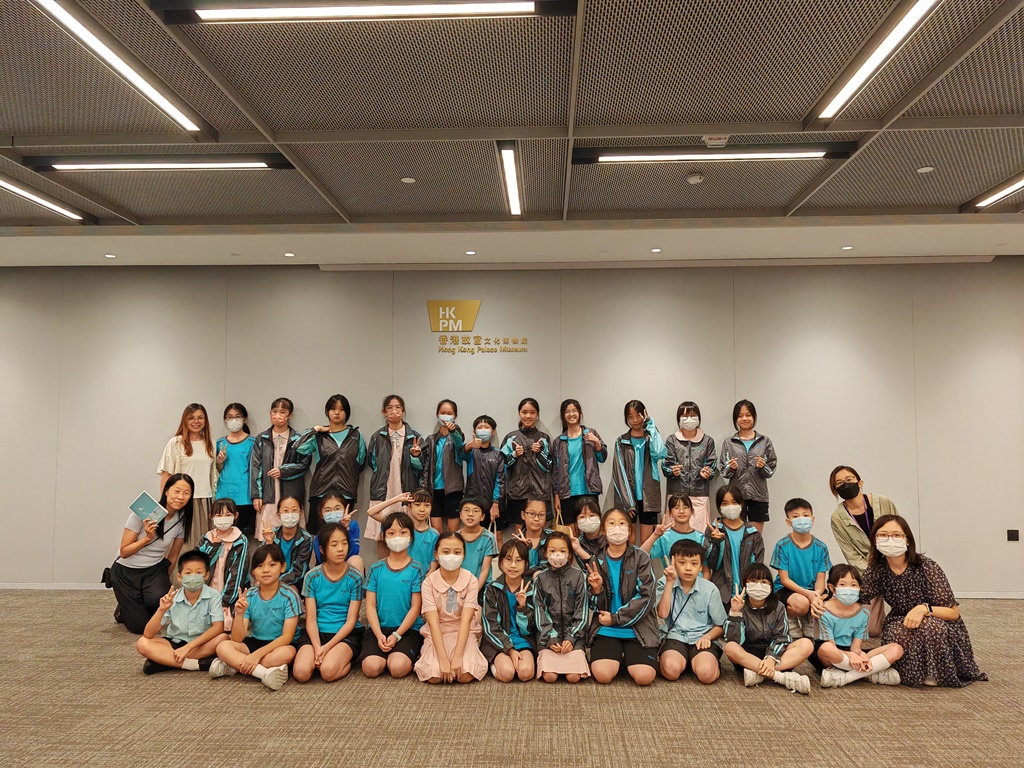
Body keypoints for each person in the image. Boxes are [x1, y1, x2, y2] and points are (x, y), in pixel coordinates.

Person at [860, 515, 987, 688]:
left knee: (929, 627)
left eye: (896, 535)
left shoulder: (927, 567)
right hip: (900, 618)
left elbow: (953, 613)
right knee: (897, 632)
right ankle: (902, 673)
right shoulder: (877, 569)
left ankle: (935, 673)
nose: (890, 540)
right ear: (875, 540)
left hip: (938, 619)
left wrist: (924, 609)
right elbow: (860, 597)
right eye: (883, 535)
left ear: (907, 540)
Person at [210, 543, 300, 691]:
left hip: (279, 644)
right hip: (255, 641)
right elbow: (237, 638)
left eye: (272, 565)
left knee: (287, 653)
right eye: (260, 566)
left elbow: (287, 637)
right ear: (253, 572)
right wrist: (239, 614)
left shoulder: (289, 595)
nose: (266, 570)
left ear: (282, 567)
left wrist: (256, 655)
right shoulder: (249, 595)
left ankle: (236, 666)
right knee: (222, 646)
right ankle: (263, 673)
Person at [585, 508, 659, 686]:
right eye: (611, 523)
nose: (616, 528)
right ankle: (618, 657)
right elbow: (593, 606)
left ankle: (629, 658)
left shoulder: (641, 558)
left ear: (629, 529)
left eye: (621, 523)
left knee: (644, 677)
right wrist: (596, 590)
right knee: (603, 676)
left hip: (638, 628)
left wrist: (616, 618)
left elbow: (646, 597)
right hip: (606, 627)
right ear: (603, 530)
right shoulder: (596, 560)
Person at [111, 473, 193, 634]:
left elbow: (173, 555)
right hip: (126, 571)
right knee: (140, 627)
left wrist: (163, 583)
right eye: (176, 491)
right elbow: (124, 552)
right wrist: (147, 538)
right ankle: (124, 607)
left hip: (154, 570)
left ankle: (139, 601)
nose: (180, 497)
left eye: (186, 493)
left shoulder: (181, 520)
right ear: (166, 491)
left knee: (157, 602)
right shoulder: (141, 514)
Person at [723, 563, 813, 694]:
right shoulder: (739, 605)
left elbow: (781, 637)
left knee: (806, 644)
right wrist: (735, 612)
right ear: (745, 584)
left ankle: (758, 674)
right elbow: (733, 639)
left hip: (775, 656)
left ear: (770, 587)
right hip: (748, 657)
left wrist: (771, 658)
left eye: (764, 582)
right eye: (753, 581)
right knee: (730, 647)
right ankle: (780, 677)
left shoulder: (778, 607)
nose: (758, 586)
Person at [135, 549, 226, 674]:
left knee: (223, 639)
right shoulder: (172, 597)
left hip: (200, 644)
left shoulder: (213, 595)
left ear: (206, 576)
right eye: (188, 573)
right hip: (175, 642)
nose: (193, 577)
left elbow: (218, 627)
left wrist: (188, 647)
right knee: (142, 643)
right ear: (179, 577)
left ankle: (165, 661)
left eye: (199, 572)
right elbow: (148, 634)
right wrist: (161, 610)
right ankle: (194, 664)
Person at [293, 523, 364, 683]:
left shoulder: (355, 577)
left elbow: (351, 621)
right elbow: (311, 618)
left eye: (344, 543)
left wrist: (328, 647)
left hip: (345, 634)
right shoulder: (312, 577)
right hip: (317, 632)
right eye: (334, 544)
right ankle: (324, 657)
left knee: (328, 672)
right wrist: (318, 647)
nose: (340, 549)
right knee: (301, 673)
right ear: (322, 549)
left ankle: (346, 660)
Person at [361, 512, 427, 679]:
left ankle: (404, 656)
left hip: (407, 630)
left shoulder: (417, 569)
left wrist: (397, 635)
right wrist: (378, 635)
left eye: (403, 532)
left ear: (411, 537)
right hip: (379, 629)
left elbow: (416, 608)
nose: (397, 537)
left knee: (397, 669)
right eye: (391, 533)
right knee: (370, 668)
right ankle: (384, 655)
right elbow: (370, 606)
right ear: (384, 537)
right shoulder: (376, 568)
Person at [415, 532, 488, 684]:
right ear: (436, 554)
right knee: (434, 677)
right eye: (446, 552)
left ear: (463, 555)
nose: (451, 556)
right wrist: (443, 660)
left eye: (457, 552)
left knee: (464, 675)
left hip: (464, 631)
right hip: (438, 632)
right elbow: (433, 623)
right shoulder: (428, 583)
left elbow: (466, 621)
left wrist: (458, 657)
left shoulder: (471, 580)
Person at [815, 564, 903, 688]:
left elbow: (856, 647)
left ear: (860, 587)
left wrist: (860, 654)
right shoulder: (823, 611)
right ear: (832, 588)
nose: (848, 589)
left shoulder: (863, 613)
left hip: (852, 653)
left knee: (896, 649)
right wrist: (851, 655)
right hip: (832, 655)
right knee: (826, 648)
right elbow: (831, 645)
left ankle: (846, 678)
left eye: (853, 585)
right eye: (842, 584)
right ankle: (870, 672)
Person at [656, 539, 726, 684]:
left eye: (694, 564)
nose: (688, 568)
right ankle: (684, 661)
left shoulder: (710, 589)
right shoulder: (664, 581)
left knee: (706, 674)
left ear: (700, 567)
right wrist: (669, 583)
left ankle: (702, 663)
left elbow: (720, 626)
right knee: (670, 671)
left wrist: (707, 637)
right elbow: (662, 614)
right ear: (673, 563)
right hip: (675, 636)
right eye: (682, 563)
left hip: (702, 638)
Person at [296, 394, 366, 536]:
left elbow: (361, 463)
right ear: (327, 411)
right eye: (333, 408)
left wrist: (345, 476)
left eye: (341, 409)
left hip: (345, 492)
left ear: (347, 412)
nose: (337, 412)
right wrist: (315, 430)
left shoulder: (356, 436)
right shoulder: (319, 436)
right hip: (320, 491)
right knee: (318, 535)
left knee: (342, 534)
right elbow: (298, 447)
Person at [366, 394, 423, 559]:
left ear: (403, 411)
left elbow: (422, 467)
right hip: (383, 490)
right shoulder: (377, 436)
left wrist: (415, 456)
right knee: (382, 534)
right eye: (390, 408)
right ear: (384, 412)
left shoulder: (415, 436)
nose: (394, 411)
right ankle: (384, 568)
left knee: (407, 533)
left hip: (407, 491)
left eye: (398, 407)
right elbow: (372, 462)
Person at [532, 532, 591, 683]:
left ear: (569, 554)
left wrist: (571, 638)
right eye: (552, 551)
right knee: (550, 677)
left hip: (575, 636)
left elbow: (582, 611)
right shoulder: (540, 578)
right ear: (545, 553)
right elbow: (539, 611)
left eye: (562, 551)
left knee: (573, 677)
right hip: (548, 637)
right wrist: (550, 637)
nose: (557, 555)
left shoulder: (579, 576)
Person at [770, 497, 830, 638]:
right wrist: (808, 595)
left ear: (812, 519)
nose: (802, 519)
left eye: (806, 515)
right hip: (787, 589)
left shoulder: (821, 547)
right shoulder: (782, 545)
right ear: (788, 522)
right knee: (802, 603)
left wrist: (816, 595)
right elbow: (785, 580)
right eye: (796, 516)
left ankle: (809, 618)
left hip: (812, 590)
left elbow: (821, 580)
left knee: (827, 603)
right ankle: (789, 618)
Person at [158, 404, 217, 543]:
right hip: (182, 500)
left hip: (205, 501)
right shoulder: (175, 443)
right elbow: (166, 475)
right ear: (185, 420)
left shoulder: (211, 443)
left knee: (203, 543)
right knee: (180, 543)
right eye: (191, 418)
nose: (196, 421)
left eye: (200, 418)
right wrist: (164, 504)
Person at [610, 399, 667, 545]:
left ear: (644, 414)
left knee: (647, 542)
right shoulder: (621, 441)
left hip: (649, 496)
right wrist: (628, 503)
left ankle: (644, 563)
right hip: (628, 498)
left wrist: (650, 424)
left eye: (638, 415)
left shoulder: (651, 437)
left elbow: (659, 453)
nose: (635, 420)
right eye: (630, 417)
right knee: (629, 541)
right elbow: (618, 473)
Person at [251, 397, 310, 532]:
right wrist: (256, 495)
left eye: (282, 412)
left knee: (292, 530)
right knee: (268, 532)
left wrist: (283, 471)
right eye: (274, 411)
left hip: (291, 490)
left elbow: (304, 464)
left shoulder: (298, 439)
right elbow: (255, 467)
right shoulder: (262, 438)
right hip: (268, 492)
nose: (277, 415)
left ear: (290, 415)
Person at [481, 539, 537, 682]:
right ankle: (493, 664)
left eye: (519, 560)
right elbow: (490, 626)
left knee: (525, 673)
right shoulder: (492, 588)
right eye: (508, 559)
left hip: (523, 640)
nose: (513, 565)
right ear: (501, 562)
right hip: (497, 642)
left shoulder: (531, 590)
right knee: (507, 674)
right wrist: (509, 649)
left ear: (526, 564)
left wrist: (522, 608)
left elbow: (530, 629)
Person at [719, 399, 777, 533]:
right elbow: (723, 471)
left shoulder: (764, 441)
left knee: (755, 537)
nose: (744, 419)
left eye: (748, 415)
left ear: (754, 417)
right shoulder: (729, 442)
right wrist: (731, 468)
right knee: (736, 535)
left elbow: (771, 469)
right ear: (735, 419)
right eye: (740, 416)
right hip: (735, 496)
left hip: (758, 496)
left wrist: (762, 467)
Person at [828, 465, 899, 571]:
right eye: (839, 483)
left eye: (849, 479)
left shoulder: (883, 502)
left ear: (860, 483)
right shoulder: (837, 519)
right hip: (868, 571)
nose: (845, 484)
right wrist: (872, 574)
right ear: (836, 490)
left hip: (896, 562)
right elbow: (851, 555)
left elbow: (900, 532)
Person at [552, 399, 606, 535]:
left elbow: (603, 457)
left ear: (580, 413)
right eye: (567, 412)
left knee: (590, 530)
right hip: (567, 493)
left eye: (574, 411)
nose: (571, 414)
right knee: (571, 534)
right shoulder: (559, 441)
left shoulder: (591, 433)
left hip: (589, 490)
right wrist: (556, 496)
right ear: (563, 416)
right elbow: (555, 471)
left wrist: (597, 442)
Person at [662, 401, 717, 532]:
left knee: (700, 534)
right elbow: (666, 466)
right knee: (674, 533)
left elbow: (712, 466)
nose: (689, 419)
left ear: (699, 418)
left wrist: (707, 472)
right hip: (676, 495)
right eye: (685, 416)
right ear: (679, 419)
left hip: (700, 495)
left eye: (693, 416)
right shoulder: (672, 440)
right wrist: (672, 471)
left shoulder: (707, 441)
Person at [706, 485, 764, 606]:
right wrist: (717, 542)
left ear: (741, 504)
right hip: (722, 594)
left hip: (747, 594)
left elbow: (758, 566)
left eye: (734, 502)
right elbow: (712, 564)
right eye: (725, 503)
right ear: (719, 507)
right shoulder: (713, 530)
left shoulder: (753, 533)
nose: (730, 507)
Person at [500, 398, 553, 530]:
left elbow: (550, 466)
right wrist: (514, 455)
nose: (528, 416)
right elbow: (502, 466)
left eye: (532, 412)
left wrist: (539, 454)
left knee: (540, 529)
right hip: (517, 493)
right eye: (524, 412)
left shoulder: (544, 438)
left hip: (540, 492)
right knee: (519, 531)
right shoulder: (511, 437)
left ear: (537, 414)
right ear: (519, 413)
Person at [197, 499, 249, 631]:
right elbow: (196, 564)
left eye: (228, 515)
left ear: (235, 516)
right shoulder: (206, 538)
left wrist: (225, 601)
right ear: (211, 517)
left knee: (226, 625)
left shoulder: (240, 541)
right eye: (219, 515)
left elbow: (237, 574)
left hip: (228, 593)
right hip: (207, 589)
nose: (223, 519)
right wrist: (213, 546)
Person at [421, 399, 466, 533]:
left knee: (453, 533)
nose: (445, 416)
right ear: (437, 415)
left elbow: (459, 443)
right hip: (434, 490)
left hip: (453, 490)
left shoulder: (457, 436)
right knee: (436, 532)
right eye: (443, 413)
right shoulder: (430, 439)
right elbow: (423, 465)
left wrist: (453, 431)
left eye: (449, 413)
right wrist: (415, 455)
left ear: (455, 416)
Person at [369, 489, 439, 573]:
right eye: (417, 505)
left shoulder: (434, 535)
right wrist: (397, 499)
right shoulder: (400, 526)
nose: (422, 509)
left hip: (422, 577)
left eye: (427, 505)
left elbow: (432, 567)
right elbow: (371, 512)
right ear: (409, 507)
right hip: (398, 573)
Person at [460, 415, 505, 542]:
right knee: (473, 535)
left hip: (493, 504)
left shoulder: (498, 454)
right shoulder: (471, 452)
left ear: (493, 431)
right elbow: (460, 455)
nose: (483, 429)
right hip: (473, 502)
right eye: (480, 427)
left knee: (497, 536)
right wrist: (470, 445)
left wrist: (495, 503)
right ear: (474, 431)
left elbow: (500, 480)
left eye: (486, 427)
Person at [214, 403, 256, 538]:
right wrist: (219, 461)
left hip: (244, 496)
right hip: (223, 494)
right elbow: (214, 471)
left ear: (244, 419)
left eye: (237, 417)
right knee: (222, 534)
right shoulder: (219, 443)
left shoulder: (253, 442)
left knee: (241, 536)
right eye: (230, 417)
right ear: (225, 420)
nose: (234, 420)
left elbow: (256, 470)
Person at [641, 494, 710, 577]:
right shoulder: (664, 537)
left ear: (692, 511)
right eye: (676, 508)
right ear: (670, 513)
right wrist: (655, 535)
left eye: (685, 507)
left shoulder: (700, 538)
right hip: (671, 582)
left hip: (696, 583)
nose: (681, 511)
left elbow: (706, 569)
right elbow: (641, 555)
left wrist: (704, 584)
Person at [262, 495, 315, 593]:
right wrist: (269, 543)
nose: (290, 514)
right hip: (270, 577)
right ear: (278, 514)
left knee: (290, 590)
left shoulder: (306, 538)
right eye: (286, 511)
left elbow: (298, 571)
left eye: (294, 510)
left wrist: (277, 582)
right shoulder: (272, 534)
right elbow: (260, 562)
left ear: (300, 513)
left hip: (295, 581)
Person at [458, 496, 498, 593]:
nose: (470, 514)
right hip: (459, 586)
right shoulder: (455, 537)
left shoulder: (488, 537)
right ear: (460, 515)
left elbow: (485, 569)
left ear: (482, 517)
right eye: (466, 510)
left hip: (481, 586)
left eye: (475, 511)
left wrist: (473, 592)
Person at [312, 493, 361, 563]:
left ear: (344, 510)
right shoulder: (320, 533)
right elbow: (321, 559)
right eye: (328, 510)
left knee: (356, 560)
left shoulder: (353, 525)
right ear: (321, 514)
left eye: (337, 509)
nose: (333, 513)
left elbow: (354, 553)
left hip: (348, 565)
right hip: (328, 566)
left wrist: (346, 529)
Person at [514, 498, 554, 571]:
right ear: (523, 515)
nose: (536, 519)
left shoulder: (554, 537)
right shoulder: (516, 541)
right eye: (532, 514)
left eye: (541, 515)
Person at [570, 499, 605, 566]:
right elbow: (586, 569)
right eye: (582, 517)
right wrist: (579, 549)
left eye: (592, 515)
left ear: (600, 517)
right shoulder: (578, 544)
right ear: (576, 521)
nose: (587, 520)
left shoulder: (610, 537)